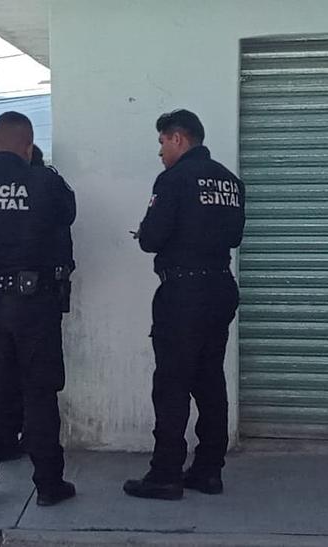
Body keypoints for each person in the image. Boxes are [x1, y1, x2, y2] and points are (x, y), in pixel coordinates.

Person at [0, 111, 76, 508]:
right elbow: (68, 213)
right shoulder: (44, 180)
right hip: (33, 303)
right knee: (39, 392)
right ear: (29, 147)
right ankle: (49, 485)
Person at [124, 109, 245, 500]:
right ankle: (209, 470)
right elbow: (234, 235)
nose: (159, 151)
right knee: (210, 380)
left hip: (183, 293)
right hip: (220, 289)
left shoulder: (173, 179)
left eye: (162, 142)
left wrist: (147, 230)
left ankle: (166, 474)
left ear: (178, 138)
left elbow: (152, 238)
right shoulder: (230, 181)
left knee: (172, 384)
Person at [1, 144, 76, 461]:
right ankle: (40, 454)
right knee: (41, 382)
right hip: (41, 300)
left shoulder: (3, 195)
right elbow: (69, 215)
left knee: (5, 377)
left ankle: (7, 441)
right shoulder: (51, 190)